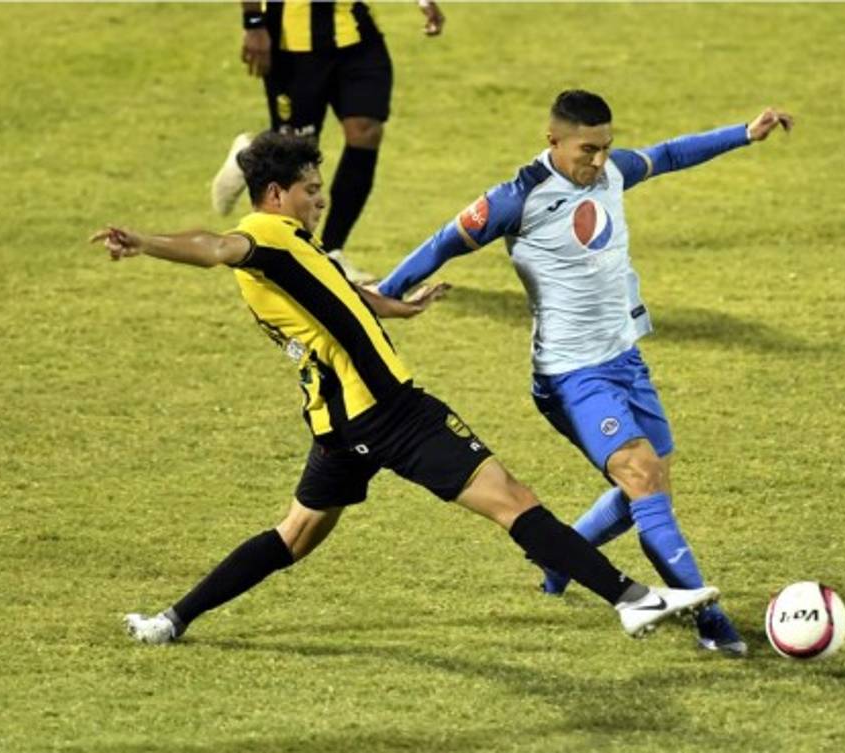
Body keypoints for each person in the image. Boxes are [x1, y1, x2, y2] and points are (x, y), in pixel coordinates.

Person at [91, 131, 720, 645]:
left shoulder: (293, 247)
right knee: (511, 499)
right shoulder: (264, 237)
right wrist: (145, 242)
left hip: (337, 429)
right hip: (390, 412)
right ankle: (631, 598)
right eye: (311, 192)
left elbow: (334, 298)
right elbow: (211, 245)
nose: (320, 201)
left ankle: (171, 621)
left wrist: (395, 307)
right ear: (275, 193)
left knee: (295, 535)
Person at [377, 90, 795, 657]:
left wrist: (743, 133)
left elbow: (669, 154)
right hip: (571, 375)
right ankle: (709, 619)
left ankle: (560, 555)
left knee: (645, 487)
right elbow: (443, 242)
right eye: (586, 150)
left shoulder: (612, 173)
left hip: (625, 360)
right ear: (554, 141)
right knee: (643, 478)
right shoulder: (517, 197)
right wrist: (382, 295)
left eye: (606, 148)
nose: (598, 162)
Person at [210, 0, 446, 284]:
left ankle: (331, 251)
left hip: (356, 33)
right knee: (295, 154)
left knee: (366, 130)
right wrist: (253, 23)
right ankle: (248, 158)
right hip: (292, 38)